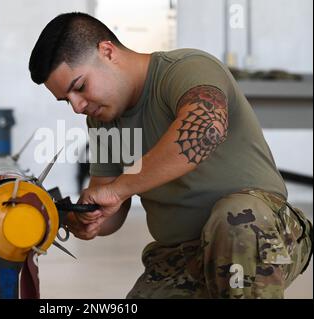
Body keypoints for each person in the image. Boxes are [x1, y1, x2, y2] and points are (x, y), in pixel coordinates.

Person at [28, 12, 312, 298]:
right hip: (180, 256)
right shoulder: (103, 120)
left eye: (79, 87)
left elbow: (203, 131)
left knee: (236, 218)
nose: (77, 107)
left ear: (107, 52)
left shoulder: (185, 69)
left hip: (260, 232)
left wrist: (116, 191)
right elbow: (109, 206)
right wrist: (87, 220)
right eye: (67, 100)